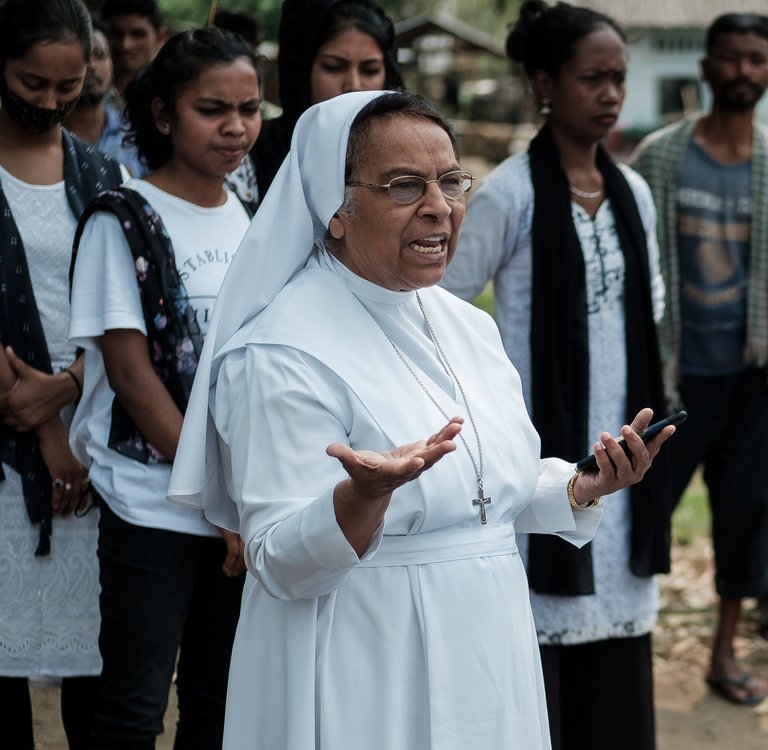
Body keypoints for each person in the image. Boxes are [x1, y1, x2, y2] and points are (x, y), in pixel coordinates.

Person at [167, 89, 675, 750]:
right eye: (405, 186)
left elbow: (481, 493)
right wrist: (360, 499)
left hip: (489, 643)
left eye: (451, 181)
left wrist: (579, 485)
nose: (440, 207)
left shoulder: (467, 325)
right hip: (367, 655)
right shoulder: (279, 351)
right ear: (335, 208)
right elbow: (279, 560)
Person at [441, 3, 669, 747]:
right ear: (544, 82)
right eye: (591, 78)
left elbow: (651, 313)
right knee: (540, 656)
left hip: (621, 450)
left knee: (617, 656)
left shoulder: (631, 194)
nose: (610, 95)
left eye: (619, 80)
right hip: (541, 452)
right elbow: (443, 308)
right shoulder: (510, 193)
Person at [68, 26, 262, 749]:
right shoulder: (122, 220)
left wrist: (239, 496)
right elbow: (130, 374)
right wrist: (217, 493)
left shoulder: (249, 214)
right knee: (133, 706)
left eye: (250, 107)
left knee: (218, 702)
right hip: (155, 506)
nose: (237, 126)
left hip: (238, 504)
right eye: (213, 109)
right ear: (162, 115)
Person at [632, 12, 768, 706]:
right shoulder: (660, 155)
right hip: (676, 376)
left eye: (756, 59)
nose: (744, 71)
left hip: (753, 378)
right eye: (732, 59)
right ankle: (625, 644)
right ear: (707, 67)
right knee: (644, 509)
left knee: (745, 513)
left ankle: (723, 652)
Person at [0, 0, 122, 748]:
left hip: (94, 445)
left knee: (94, 669)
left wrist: (75, 384)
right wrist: (44, 425)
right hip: (17, 451)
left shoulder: (100, 171)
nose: (48, 102)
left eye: (67, 86)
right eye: (30, 82)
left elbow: (122, 303)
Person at [251, 0, 403, 198]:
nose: (354, 85)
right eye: (333, 67)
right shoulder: (252, 155)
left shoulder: (405, 152)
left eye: (370, 70)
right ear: (300, 70)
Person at [63, 25, 147, 176]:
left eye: (99, 55)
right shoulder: (43, 137)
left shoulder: (135, 137)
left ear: (112, 62)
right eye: (82, 57)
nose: (91, 66)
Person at [101, 0, 166, 97]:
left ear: (159, 38)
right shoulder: (81, 91)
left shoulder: (170, 93)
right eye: (116, 33)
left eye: (137, 34)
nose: (125, 45)